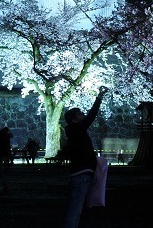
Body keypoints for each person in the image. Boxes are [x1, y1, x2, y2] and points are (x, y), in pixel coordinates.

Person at [62, 86, 108, 228]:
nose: (83, 115)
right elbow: (91, 116)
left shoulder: (73, 132)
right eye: (80, 113)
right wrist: (99, 97)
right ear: (75, 119)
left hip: (79, 172)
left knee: (76, 209)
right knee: (75, 209)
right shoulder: (78, 129)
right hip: (82, 174)